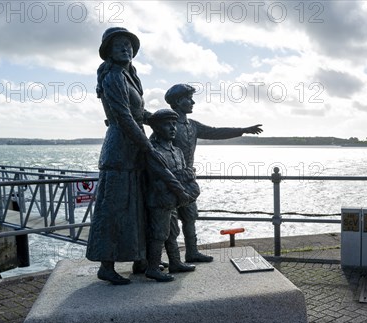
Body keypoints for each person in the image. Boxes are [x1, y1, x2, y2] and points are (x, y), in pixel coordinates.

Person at [86, 27, 187, 285]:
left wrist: (157, 119)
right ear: (108, 51)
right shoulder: (113, 78)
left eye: (129, 45)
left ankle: (140, 260)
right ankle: (106, 265)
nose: (125, 49)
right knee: (114, 208)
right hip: (120, 150)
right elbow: (124, 118)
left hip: (133, 149)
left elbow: (139, 115)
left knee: (137, 206)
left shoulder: (129, 77)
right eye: (119, 44)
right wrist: (148, 146)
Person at [164, 84, 263, 262]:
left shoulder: (193, 125)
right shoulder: (167, 124)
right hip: (169, 179)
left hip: (187, 179)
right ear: (178, 101)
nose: (193, 102)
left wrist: (242, 130)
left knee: (190, 216)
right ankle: (173, 259)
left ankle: (192, 252)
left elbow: (216, 132)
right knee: (169, 221)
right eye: (189, 98)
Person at [144, 109, 200, 282]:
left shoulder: (177, 151)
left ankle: (175, 262)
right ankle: (152, 268)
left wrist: (184, 180)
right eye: (167, 124)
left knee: (173, 232)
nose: (173, 128)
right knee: (159, 234)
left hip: (173, 200)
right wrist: (181, 183)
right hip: (160, 200)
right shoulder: (153, 151)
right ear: (156, 128)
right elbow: (163, 176)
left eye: (174, 124)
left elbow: (184, 174)